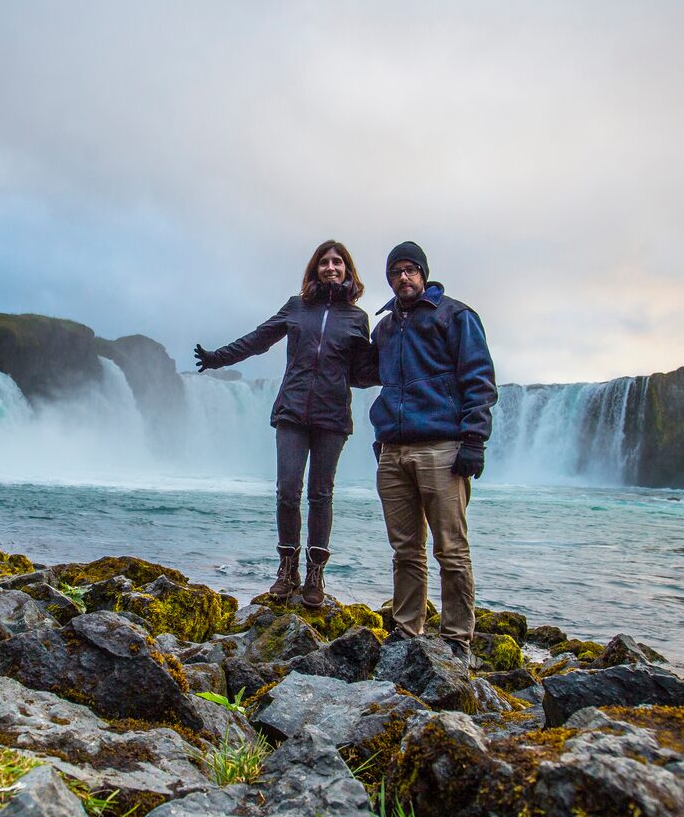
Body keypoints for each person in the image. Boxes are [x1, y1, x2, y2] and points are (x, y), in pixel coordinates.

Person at [193, 240, 371, 606]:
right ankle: (287, 569)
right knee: (288, 491)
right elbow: (259, 339)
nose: (331, 267)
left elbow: (365, 371)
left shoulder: (357, 319)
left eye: (338, 262)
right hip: (292, 410)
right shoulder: (297, 307)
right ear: (314, 269)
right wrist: (216, 358)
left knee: (321, 494)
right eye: (324, 262)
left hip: (333, 416)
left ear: (348, 270)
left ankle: (315, 575)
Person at [359, 241, 497, 663]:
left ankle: (457, 639)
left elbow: (479, 380)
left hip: (442, 447)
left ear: (423, 274)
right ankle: (406, 629)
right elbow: (366, 375)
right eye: (395, 272)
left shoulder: (455, 315)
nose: (403, 277)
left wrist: (474, 441)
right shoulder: (383, 329)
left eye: (410, 270)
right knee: (405, 551)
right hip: (394, 450)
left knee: (451, 550)